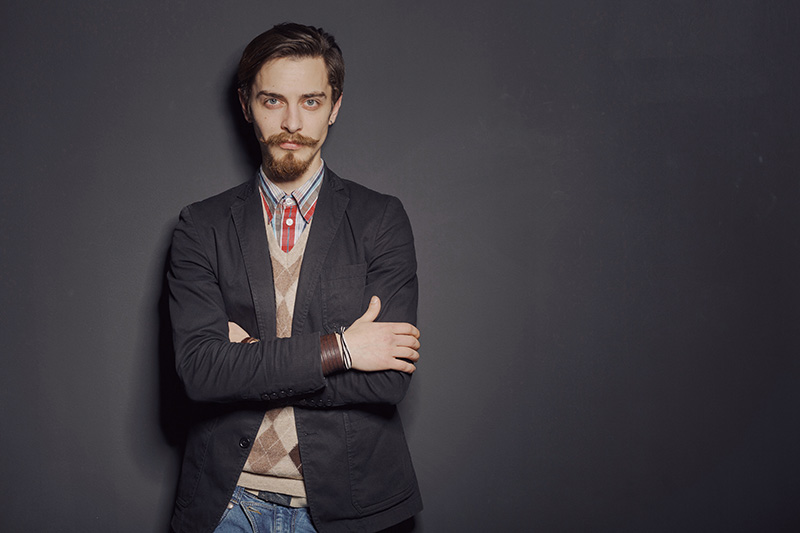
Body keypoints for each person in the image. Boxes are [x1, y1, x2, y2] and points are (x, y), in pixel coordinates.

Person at [167, 22, 423, 533]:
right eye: (272, 101)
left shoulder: (381, 219)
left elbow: (389, 381)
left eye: (310, 101)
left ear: (334, 106)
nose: (291, 122)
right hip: (226, 505)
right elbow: (200, 373)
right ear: (246, 105)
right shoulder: (201, 225)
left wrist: (251, 359)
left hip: (351, 508)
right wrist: (343, 350)